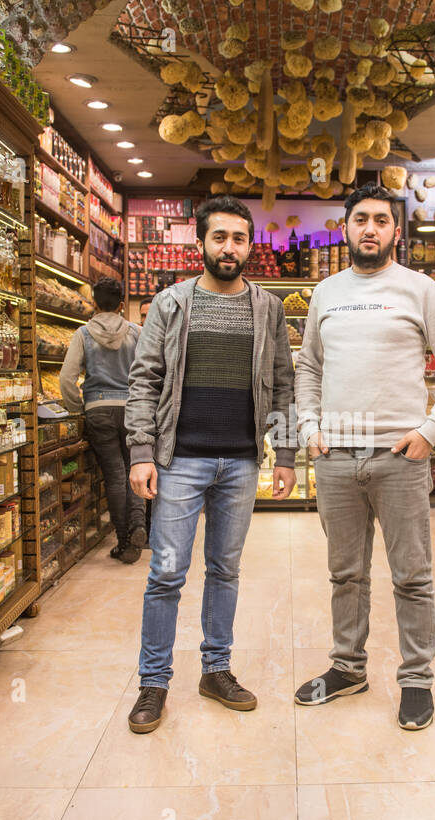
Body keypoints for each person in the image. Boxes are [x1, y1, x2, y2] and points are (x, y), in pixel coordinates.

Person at [293, 182, 435, 731]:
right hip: (335, 458)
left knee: (412, 576)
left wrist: (431, 430)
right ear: (346, 229)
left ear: (396, 231)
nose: (370, 228)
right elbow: (308, 367)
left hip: (400, 457)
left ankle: (416, 678)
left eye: (380, 220)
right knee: (345, 575)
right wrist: (309, 427)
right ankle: (348, 668)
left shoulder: (420, 289)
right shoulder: (325, 292)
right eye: (360, 220)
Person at [123, 195, 297, 734]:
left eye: (239, 238)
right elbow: (145, 379)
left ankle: (215, 670)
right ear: (200, 243)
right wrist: (142, 452)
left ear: (250, 246)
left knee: (225, 569)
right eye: (219, 237)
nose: (229, 247)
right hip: (180, 460)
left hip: (242, 461)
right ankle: (154, 682)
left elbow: (284, 383)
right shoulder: (171, 304)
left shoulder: (268, 308)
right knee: (167, 572)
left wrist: (285, 453)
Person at [59, 277, 147, 564]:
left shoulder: (82, 334)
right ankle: (138, 526)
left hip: (98, 409)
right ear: (122, 304)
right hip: (134, 409)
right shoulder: (137, 332)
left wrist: (80, 408)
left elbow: (67, 379)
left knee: (115, 475)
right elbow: (150, 373)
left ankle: (124, 542)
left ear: (94, 303)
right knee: (136, 470)